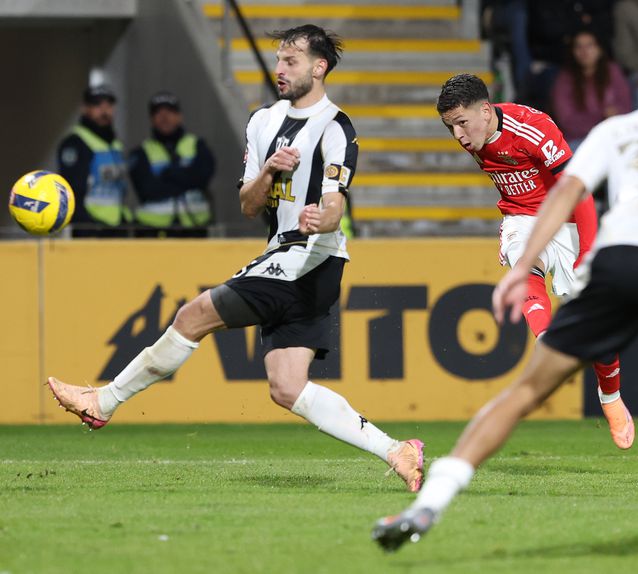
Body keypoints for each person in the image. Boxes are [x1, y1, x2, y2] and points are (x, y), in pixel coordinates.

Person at [373, 41, 638, 566]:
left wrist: (522, 269)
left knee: (527, 388)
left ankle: (429, 507)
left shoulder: (616, 130)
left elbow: (569, 193)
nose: (459, 133)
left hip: (625, 257)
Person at [46, 25, 424, 493]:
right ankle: (397, 451)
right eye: (279, 60)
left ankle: (103, 400)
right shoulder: (262, 122)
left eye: (292, 61)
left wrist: (320, 219)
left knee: (194, 314)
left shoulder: (335, 128)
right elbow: (248, 206)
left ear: (319, 67)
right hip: (288, 255)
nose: (280, 69)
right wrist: (267, 171)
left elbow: (335, 204)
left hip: (310, 256)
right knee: (287, 386)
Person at [434, 74, 634, 450]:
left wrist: (587, 252)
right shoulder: (473, 136)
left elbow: (579, 191)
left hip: (567, 218)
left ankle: (610, 397)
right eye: (451, 127)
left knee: (598, 322)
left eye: (462, 123)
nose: (459, 136)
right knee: (522, 267)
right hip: (521, 219)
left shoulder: (534, 128)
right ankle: (549, 344)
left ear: (486, 109)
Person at [129, 91, 215, 237]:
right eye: (158, 113)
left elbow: (202, 178)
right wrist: (186, 176)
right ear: (151, 119)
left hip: (194, 228)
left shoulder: (197, 145)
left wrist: (168, 174)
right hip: (153, 230)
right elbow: (148, 190)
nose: (164, 117)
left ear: (180, 116)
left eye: (170, 111)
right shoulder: (141, 152)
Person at [56, 85, 130, 237]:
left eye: (108, 105)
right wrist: (88, 227)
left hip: (115, 227)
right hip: (90, 229)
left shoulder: (115, 144)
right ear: (85, 108)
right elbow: (71, 193)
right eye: (97, 105)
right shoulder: (75, 143)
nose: (104, 111)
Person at [551, 29, 632, 150]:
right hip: (580, 140)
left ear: (599, 49)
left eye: (589, 45)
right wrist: (602, 119)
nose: (584, 51)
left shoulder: (612, 71)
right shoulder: (564, 79)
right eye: (578, 47)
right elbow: (567, 121)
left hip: (614, 136)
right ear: (572, 51)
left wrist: (614, 115)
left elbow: (626, 107)